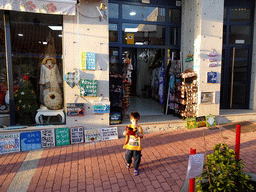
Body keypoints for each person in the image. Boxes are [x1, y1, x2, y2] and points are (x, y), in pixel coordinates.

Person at [123, 111, 143, 176]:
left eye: (137, 121)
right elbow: (124, 133)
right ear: (131, 120)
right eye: (134, 121)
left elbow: (142, 135)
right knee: (127, 156)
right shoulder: (129, 126)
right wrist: (125, 133)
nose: (135, 123)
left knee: (137, 158)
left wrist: (138, 135)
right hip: (129, 146)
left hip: (137, 147)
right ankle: (128, 162)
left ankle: (136, 168)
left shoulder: (139, 128)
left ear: (138, 120)